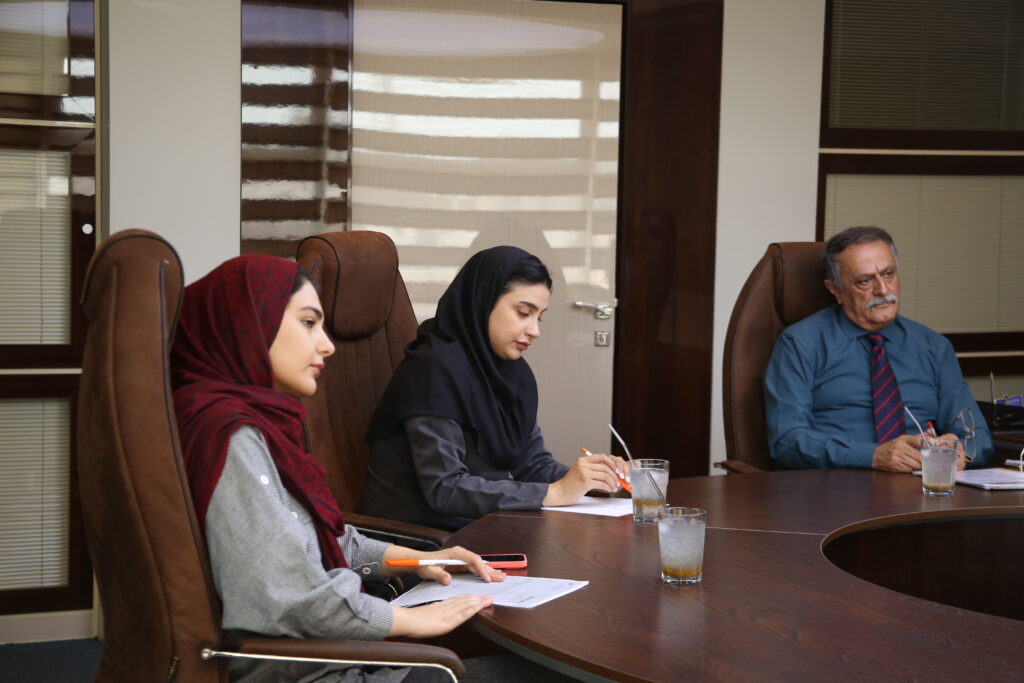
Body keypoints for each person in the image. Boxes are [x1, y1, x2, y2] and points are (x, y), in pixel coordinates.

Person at [170, 254, 504, 683]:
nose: (326, 345)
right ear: (247, 324)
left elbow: (324, 539)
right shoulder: (229, 437)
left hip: (331, 651)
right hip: (310, 671)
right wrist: (411, 620)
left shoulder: (256, 424)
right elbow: (290, 599)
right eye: (308, 323)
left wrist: (419, 559)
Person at [361, 246, 628, 531]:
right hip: (422, 538)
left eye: (539, 317)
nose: (535, 331)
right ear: (482, 301)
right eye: (523, 313)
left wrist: (595, 479)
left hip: (478, 525)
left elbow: (533, 464)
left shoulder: (512, 373)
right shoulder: (432, 370)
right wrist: (556, 492)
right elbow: (445, 488)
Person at [763, 226, 992, 472]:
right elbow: (788, 441)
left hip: (924, 482)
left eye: (888, 274)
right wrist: (873, 456)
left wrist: (962, 451)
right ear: (835, 289)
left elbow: (977, 436)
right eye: (865, 281)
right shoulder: (800, 344)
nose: (883, 290)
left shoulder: (933, 346)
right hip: (838, 485)